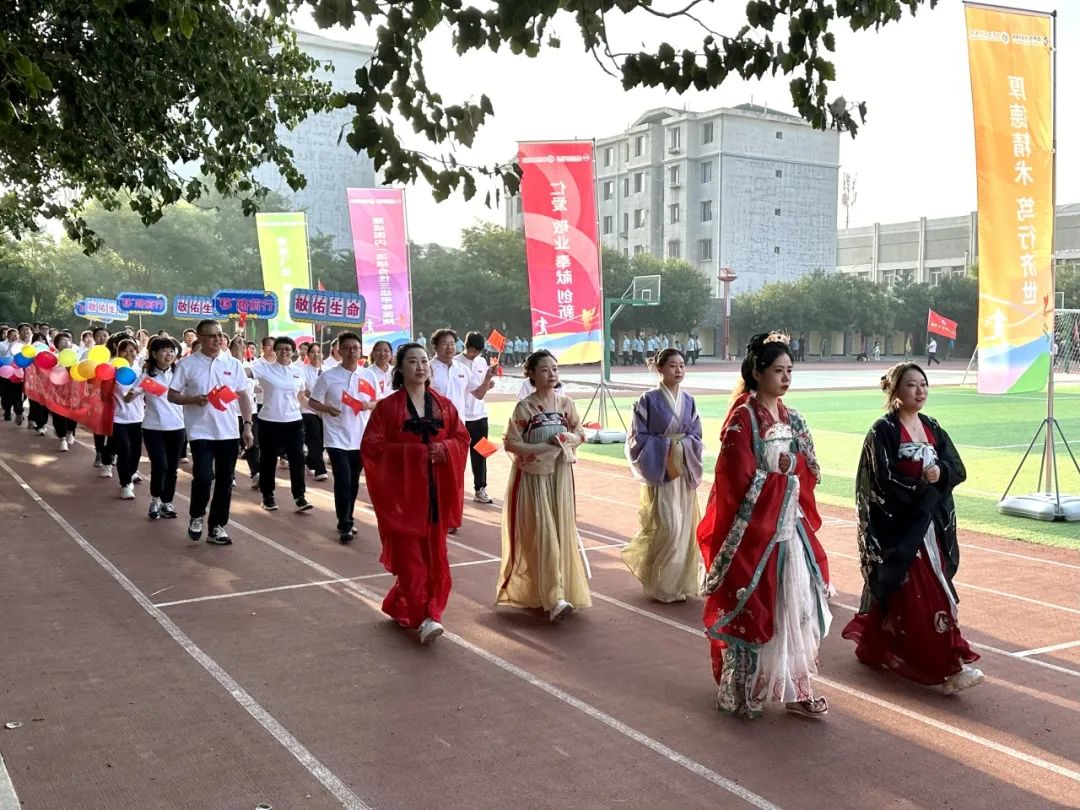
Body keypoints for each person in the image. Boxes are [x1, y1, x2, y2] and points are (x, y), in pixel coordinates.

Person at [697, 332, 832, 719]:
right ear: (757, 372)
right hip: (756, 533)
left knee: (796, 606)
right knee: (755, 606)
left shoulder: (794, 418)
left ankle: (796, 688)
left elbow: (809, 466)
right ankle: (746, 689)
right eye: (778, 370)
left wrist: (792, 469)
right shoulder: (743, 418)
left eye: (790, 370)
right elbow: (733, 478)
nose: (786, 378)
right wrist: (778, 475)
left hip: (790, 527)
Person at [842, 363, 982, 694]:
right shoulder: (883, 431)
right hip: (900, 529)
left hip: (930, 528)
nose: (920, 391)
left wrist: (940, 473)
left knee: (923, 590)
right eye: (911, 385)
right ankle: (947, 666)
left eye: (923, 384)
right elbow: (881, 479)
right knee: (923, 593)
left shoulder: (932, 427)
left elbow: (956, 467)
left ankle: (880, 645)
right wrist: (918, 486)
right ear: (895, 391)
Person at [361, 342, 469, 644]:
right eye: (412, 361)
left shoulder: (444, 406)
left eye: (424, 361)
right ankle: (425, 618)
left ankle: (409, 606)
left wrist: (444, 449)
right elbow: (372, 447)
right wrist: (413, 453)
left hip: (435, 496)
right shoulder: (388, 408)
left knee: (435, 558)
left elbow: (461, 438)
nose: (420, 366)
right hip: (403, 498)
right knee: (411, 560)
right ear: (400, 368)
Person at [498, 350, 591, 622]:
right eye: (545, 369)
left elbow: (580, 433)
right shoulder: (524, 408)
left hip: (560, 477)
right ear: (531, 374)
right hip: (534, 478)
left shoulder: (566, 404)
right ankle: (553, 597)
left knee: (561, 532)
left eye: (555, 369)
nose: (552, 374)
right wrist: (543, 448)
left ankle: (559, 591)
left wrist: (566, 439)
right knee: (543, 533)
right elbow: (511, 443)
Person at [623, 349, 704, 603]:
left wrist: (684, 447)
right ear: (660, 369)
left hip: (683, 470)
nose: (678, 370)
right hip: (661, 469)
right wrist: (668, 448)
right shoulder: (647, 400)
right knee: (669, 527)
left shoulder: (689, 401)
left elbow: (696, 435)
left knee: (685, 528)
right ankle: (660, 583)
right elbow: (637, 438)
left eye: (682, 365)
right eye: (672, 366)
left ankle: (677, 584)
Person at [168, 319, 254, 545]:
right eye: (211, 336)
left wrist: (247, 425)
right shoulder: (187, 364)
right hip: (200, 431)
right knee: (204, 477)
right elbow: (172, 395)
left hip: (228, 432)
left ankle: (217, 526)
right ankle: (197, 515)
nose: (217, 339)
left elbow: (243, 396)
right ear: (200, 338)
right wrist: (194, 399)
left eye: (220, 335)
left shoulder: (233, 364)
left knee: (225, 481)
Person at [309, 332, 378, 543]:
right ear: (339, 350)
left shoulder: (368, 375)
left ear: (360, 351)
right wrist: (327, 409)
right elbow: (313, 401)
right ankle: (345, 524)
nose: (351, 352)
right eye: (347, 348)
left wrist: (368, 405)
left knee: (354, 482)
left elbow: (378, 402)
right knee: (343, 480)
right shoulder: (328, 376)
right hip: (336, 437)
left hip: (360, 437)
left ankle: (347, 517)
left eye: (355, 348)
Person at [252, 336, 313, 514]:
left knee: (297, 459)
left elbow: (301, 397)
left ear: (293, 352)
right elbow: (244, 372)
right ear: (275, 350)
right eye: (280, 348)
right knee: (268, 460)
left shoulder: (298, 371)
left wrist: (319, 410)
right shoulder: (264, 368)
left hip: (294, 422)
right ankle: (267, 495)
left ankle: (299, 497)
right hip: (269, 421)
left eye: (288, 349)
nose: (284, 351)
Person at [139, 337, 185, 520]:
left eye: (172, 351)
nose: (169, 354)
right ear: (154, 353)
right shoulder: (146, 376)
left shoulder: (179, 374)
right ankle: (155, 499)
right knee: (160, 465)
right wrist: (131, 394)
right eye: (164, 350)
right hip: (153, 428)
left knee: (172, 468)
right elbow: (131, 395)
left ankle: (167, 502)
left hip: (177, 426)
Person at [458, 332, 500, 505]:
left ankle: (480, 488)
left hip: (480, 415)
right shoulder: (456, 363)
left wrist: (488, 384)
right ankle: (456, 489)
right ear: (466, 346)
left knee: (482, 453)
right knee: (458, 455)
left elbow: (481, 389)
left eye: (478, 351)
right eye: (472, 350)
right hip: (462, 417)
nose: (474, 354)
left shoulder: (482, 361)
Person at [109, 338, 145, 500]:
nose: (129, 354)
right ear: (119, 352)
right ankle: (125, 484)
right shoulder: (112, 371)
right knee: (124, 449)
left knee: (136, 452)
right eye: (125, 351)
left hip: (138, 417)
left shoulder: (141, 371)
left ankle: (131, 473)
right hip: (118, 418)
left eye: (132, 351)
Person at [300, 342, 329, 481]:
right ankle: (320, 469)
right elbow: (303, 390)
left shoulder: (328, 370)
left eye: (318, 352)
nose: (316, 355)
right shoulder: (302, 371)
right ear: (308, 355)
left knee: (323, 441)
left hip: (325, 410)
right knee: (315, 438)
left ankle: (309, 461)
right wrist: (315, 397)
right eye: (313, 352)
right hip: (308, 410)